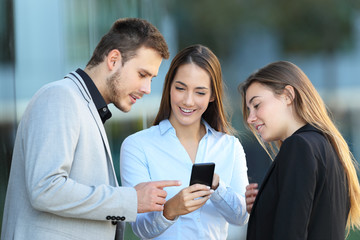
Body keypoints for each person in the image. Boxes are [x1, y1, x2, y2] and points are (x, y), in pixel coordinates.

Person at [1, 18, 182, 240]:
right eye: (142, 75)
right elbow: (45, 188)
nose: (146, 88)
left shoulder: (86, 107)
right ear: (114, 60)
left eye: (151, 79)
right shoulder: (61, 96)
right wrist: (131, 200)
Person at [120, 44, 249, 240]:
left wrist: (217, 187)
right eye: (180, 88)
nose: (188, 101)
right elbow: (139, 228)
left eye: (200, 92)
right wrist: (170, 210)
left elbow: (241, 217)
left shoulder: (230, 147)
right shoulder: (137, 146)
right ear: (169, 87)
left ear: (213, 95)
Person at [239, 61, 360, 240]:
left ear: (288, 95)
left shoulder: (298, 147)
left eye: (256, 105)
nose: (250, 118)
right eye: (249, 110)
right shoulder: (327, 146)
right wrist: (265, 206)